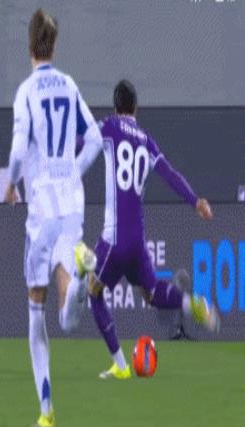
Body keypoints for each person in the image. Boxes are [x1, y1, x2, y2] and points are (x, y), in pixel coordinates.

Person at [74, 80, 219, 380]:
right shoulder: (147, 140)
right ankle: (190, 303)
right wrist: (195, 201)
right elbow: (170, 174)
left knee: (93, 292)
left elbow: (83, 143)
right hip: (137, 239)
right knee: (151, 294)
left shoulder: (109, 126)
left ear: (116, 107)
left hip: (114, 238)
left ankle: (120, 365)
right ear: (136, 108)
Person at [4, 9, 102, 427]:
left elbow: (16, 153)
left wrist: (11, 184)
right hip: (72, 202)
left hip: (42, 207)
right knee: (68, 315)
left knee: (35, 309)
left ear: (29, 46)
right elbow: (95, 139)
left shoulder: (26, 91)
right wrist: (72, 171)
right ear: (54, 46)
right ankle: (79, 277)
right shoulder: (69, 84)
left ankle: (46, 410)